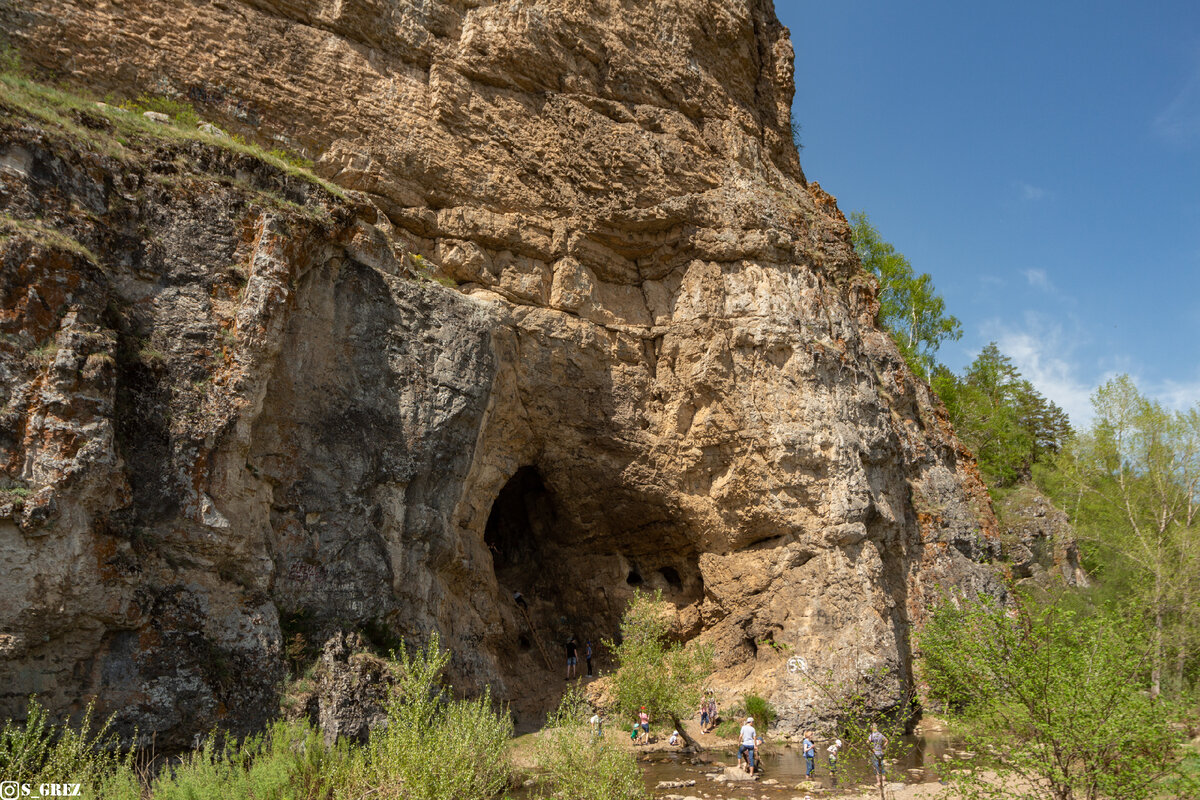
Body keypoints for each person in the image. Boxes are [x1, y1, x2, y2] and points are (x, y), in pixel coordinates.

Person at [868, 723, 888, 789]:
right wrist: (882, 747)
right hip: (880, 752)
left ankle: (878, 782)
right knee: (881, 765)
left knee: (875, 767)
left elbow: (867, 743)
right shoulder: (880, 734)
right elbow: (886, 741)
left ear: (872, 728)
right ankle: (883, 778)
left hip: (875, 753)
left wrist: (871, 749)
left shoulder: (871, 735)